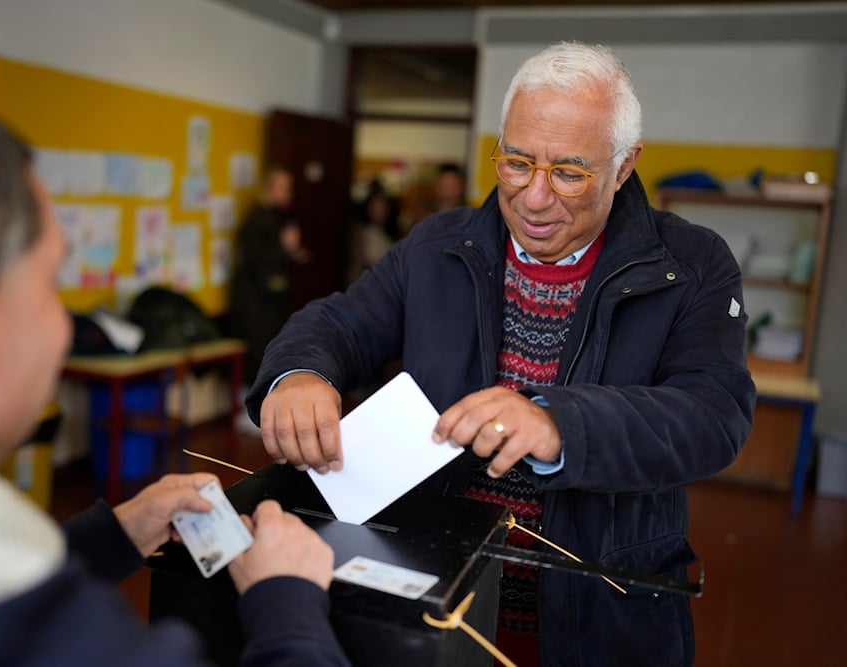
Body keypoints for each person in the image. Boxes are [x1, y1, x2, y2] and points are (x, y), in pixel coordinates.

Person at [246, 41, 755, 667]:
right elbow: (339, 322)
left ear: (624, 167)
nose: (534, 198)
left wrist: (558, 421)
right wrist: (300, 373)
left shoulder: (692, 266)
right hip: (439, 599)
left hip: (596, 618)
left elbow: (714, 414)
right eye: (516, 163)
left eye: (569, 173)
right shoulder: (438, 244)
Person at [0, 67, 348, 666]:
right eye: (49, 283)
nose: (62, 324)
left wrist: (106, 539)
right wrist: (288, 607)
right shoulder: (74, 645)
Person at [228, 166, 310, 433]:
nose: (289, 194)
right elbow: (256, 257)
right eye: (284, 188)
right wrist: (284, 250)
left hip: (268, 300)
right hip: (254, 300)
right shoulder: (257, 218)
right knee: (255, 351)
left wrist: (290, 253)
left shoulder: (277, 217)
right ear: (270, 188)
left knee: (267, 349)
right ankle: (246, 413)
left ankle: (255, 411)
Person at [346, 180, 401, 284]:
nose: (380, 212)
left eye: (383, 208)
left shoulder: (390, 232)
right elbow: (361, 261)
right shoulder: (362, 231)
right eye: (375, 208)